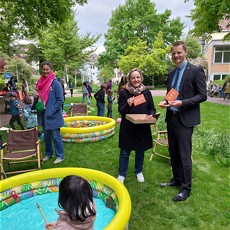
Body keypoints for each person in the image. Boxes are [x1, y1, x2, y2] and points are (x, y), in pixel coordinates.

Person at [159, 41, 207, 202]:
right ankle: (177, 179)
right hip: (171, 118)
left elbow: (202, 95)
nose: (176, 55)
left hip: (185, 119)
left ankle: (186, 189)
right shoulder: (172, 73)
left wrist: (183, 103)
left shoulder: (195, 71)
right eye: (173, 53)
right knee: (174, 152)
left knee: (184, 155)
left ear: (185, 52)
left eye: (179, 52)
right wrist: (165, 103)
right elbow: (171, 94)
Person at [117, 68, 156, 184]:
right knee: (125, 152)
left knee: (140, 150)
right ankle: (122, 174)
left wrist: (151, 115)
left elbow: (152, 108)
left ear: (141, 78)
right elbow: (121, 110)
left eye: (138, 77)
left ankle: (138, 171)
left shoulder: (147, 93)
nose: (136, 80)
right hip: (128, 128)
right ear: (129, 79)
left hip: (142, 128)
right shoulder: (124, 93)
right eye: (133, 78)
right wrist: (128, 104)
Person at [34, 61, 64, 164]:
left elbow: (60, 100)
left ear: (51, 70)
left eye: (47, 69)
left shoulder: (55, 83)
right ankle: (48, 153)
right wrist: (36, 98)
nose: (45, 71)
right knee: (46, 136)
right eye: (43, 69)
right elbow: (41, 98)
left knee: (56, 136)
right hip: (43, 114)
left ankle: (60, 155)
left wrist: (51, 110)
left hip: (53, 115)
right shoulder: (40, 82)